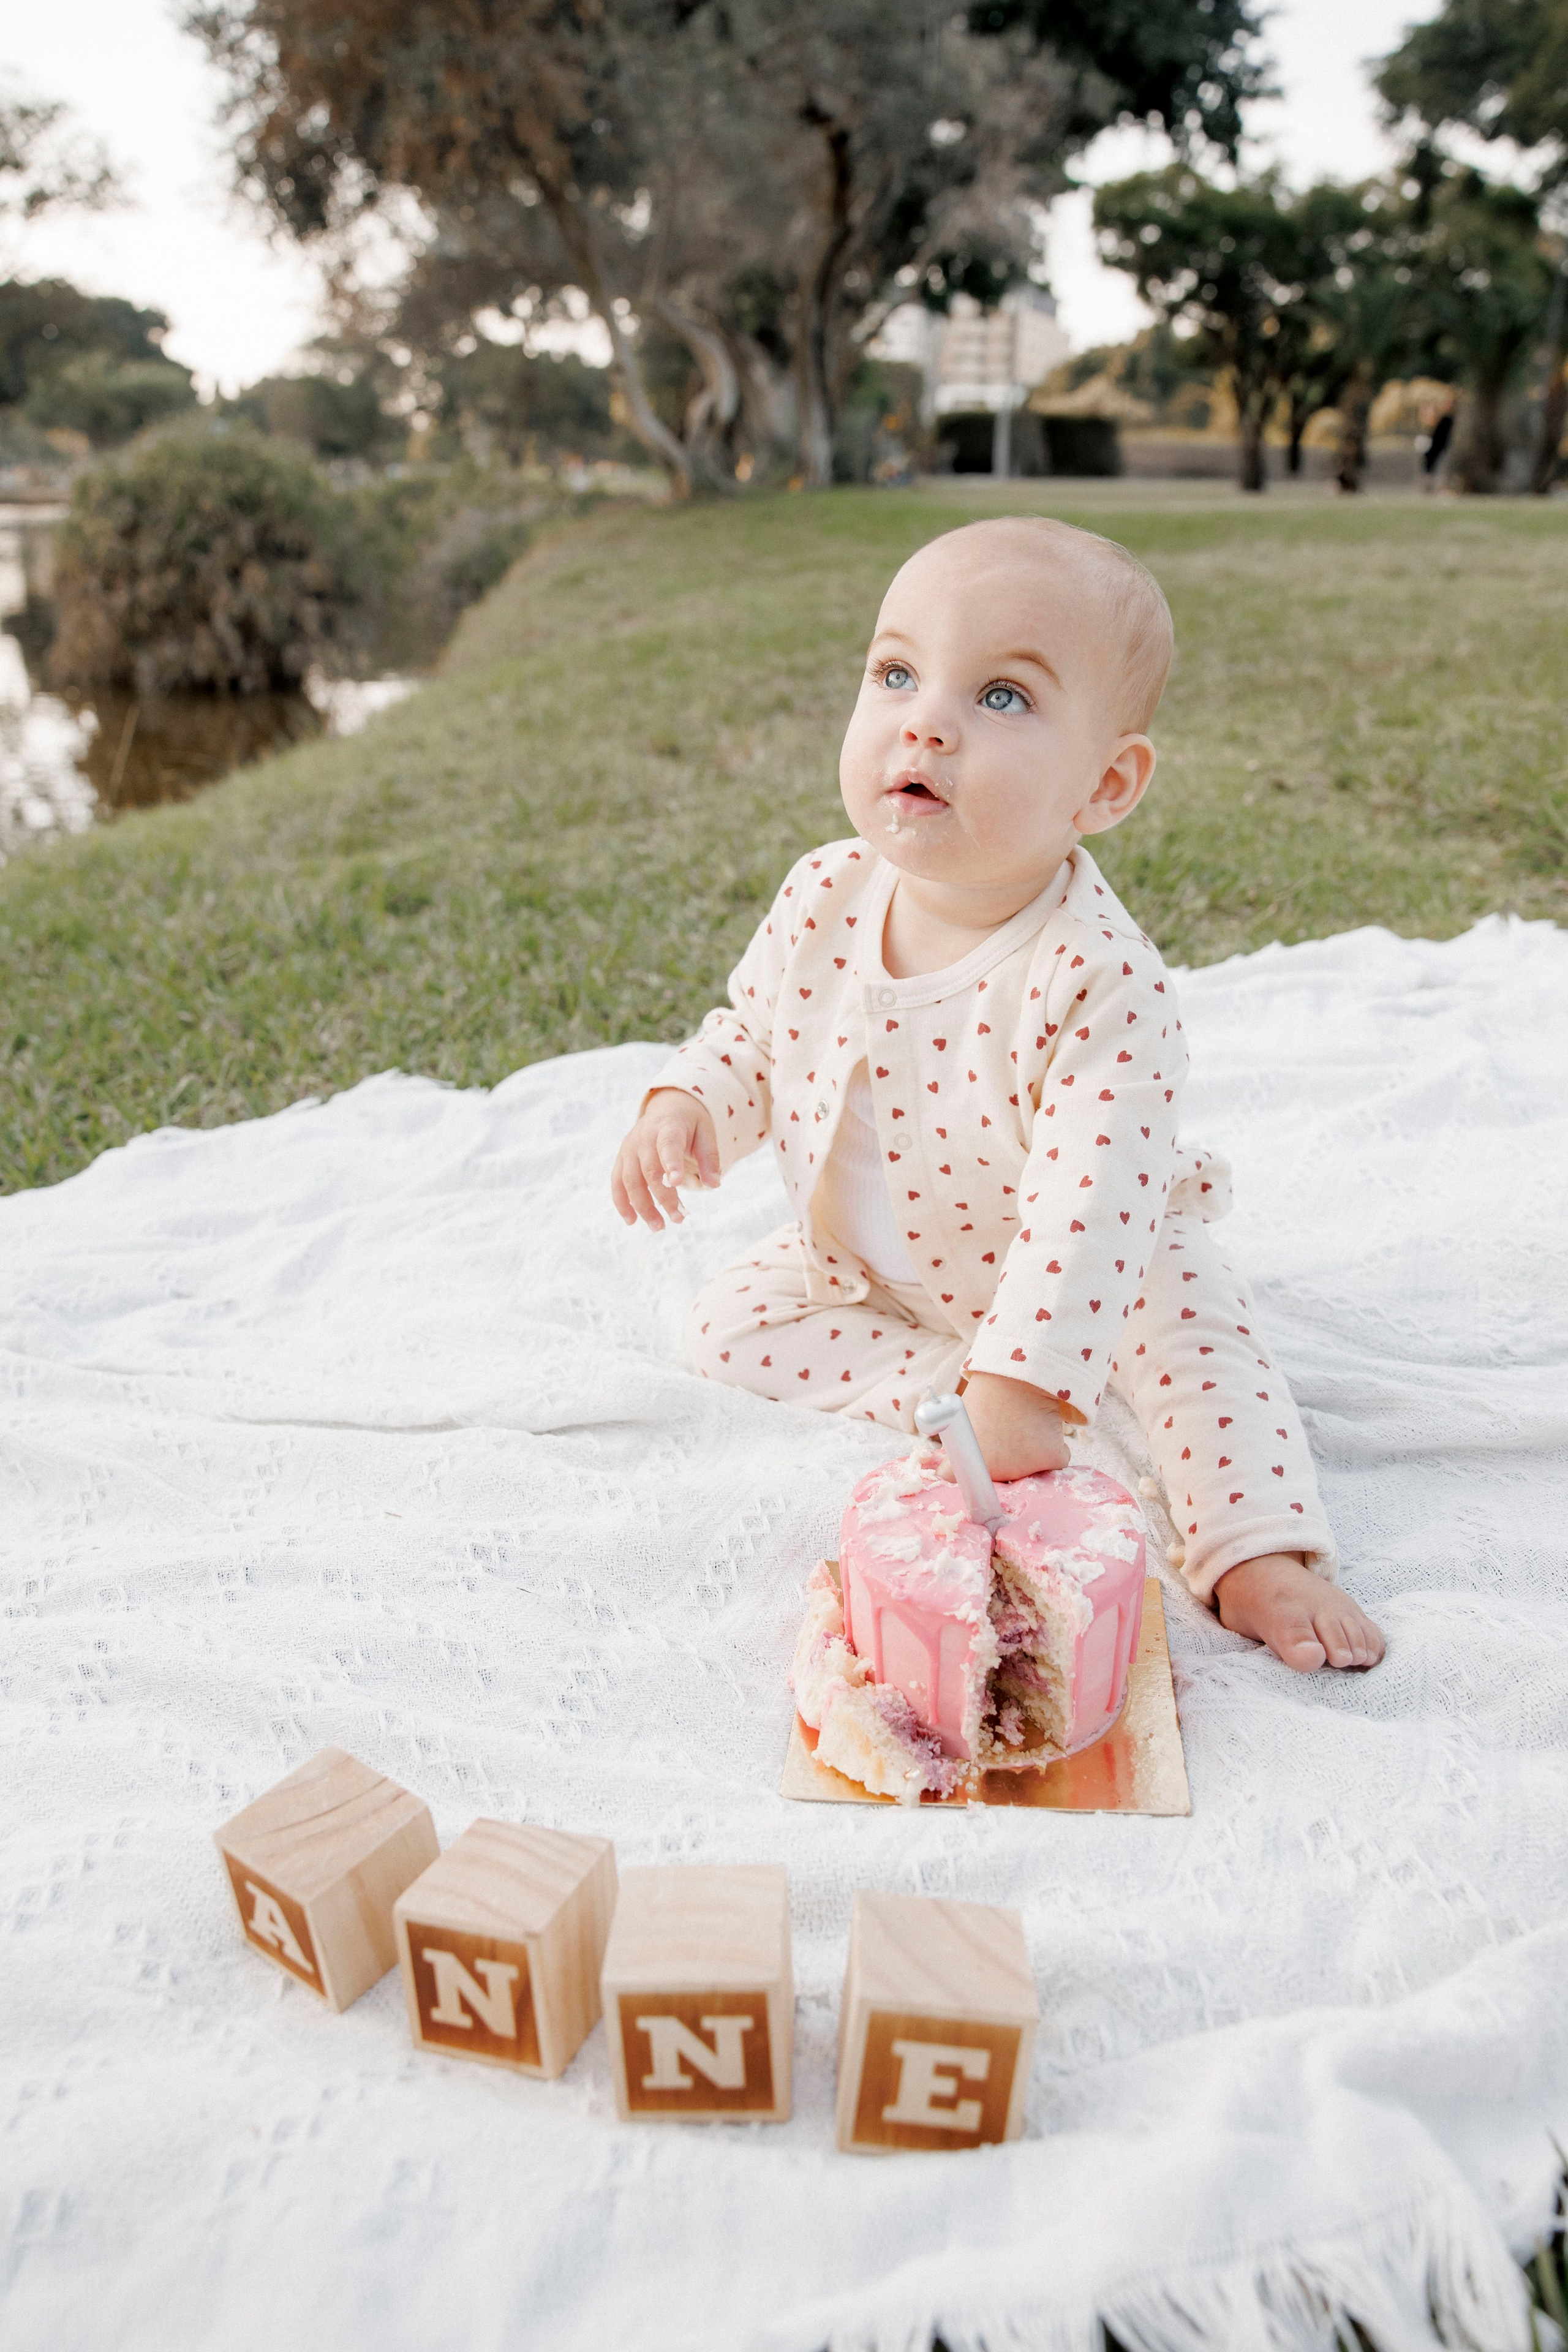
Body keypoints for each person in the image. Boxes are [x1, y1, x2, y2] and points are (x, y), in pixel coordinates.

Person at [610, 518, 1384, 1676]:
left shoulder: (1100, 982)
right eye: (897, 673)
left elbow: (1089, 1206)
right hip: (878, 1273)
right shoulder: (825, 889)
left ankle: (1255, 1549)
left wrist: (1026, 1378)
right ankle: (949, 1400)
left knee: (1197, 1344)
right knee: (720, 1324)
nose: (924, 720)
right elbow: (759, 1033)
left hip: (1100, 1264)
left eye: (1005, 698)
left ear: (1107, 784)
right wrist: (690, 1101)